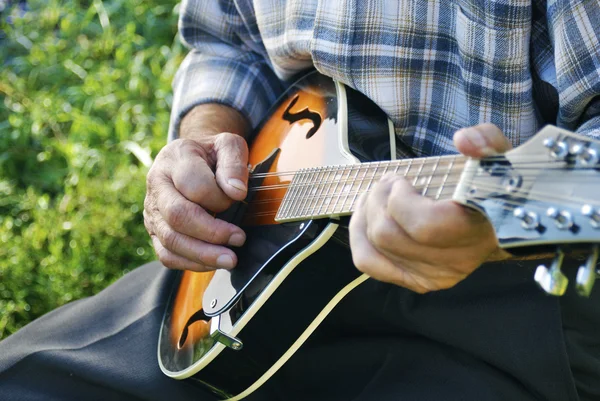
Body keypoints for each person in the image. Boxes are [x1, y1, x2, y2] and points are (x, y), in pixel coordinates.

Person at [1, 0, 599, 400]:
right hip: (254, 252)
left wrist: (496, 221)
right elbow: (226, 40)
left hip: (519, 293)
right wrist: (204, 137)